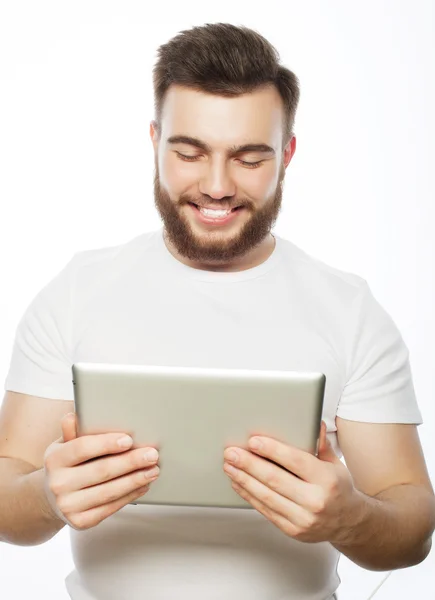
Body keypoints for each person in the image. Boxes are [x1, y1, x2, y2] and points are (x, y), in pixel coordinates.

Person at [0, 21, 434, 600]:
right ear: (154, 142)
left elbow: (412, 526)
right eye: (189, 152)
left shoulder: (349, 310)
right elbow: (7, 493)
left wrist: (348, 516)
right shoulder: (78, 290)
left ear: (288, 154)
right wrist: (47, 497)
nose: (216, 185)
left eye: (249, 158)